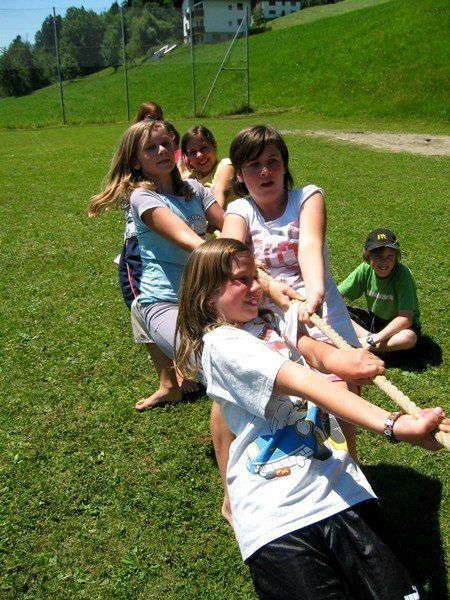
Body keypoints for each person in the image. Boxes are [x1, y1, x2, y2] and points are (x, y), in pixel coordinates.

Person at [174, 238, 448, 600]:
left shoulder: (267, 320)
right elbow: (310, 384)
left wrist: (345, 361)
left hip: (341, 489)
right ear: (208, 295)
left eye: (255, 277)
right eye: (242, 280)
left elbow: (314, 351)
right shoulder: (222, 345)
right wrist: (394, 425)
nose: (256, 287)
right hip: (276, 515)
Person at [217, 124, 360, 480]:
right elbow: (230, 257)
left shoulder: (308, 197)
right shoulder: (239, 210)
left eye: (273, 161)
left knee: (344, 389)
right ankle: (232, 492)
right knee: (232, 401)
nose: (265, 171)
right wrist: (268, 286)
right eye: (253, 165)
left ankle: (352, 469)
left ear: (284, 165)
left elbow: (309, 244)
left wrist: (315, 294)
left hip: (317, 311)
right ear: (240, 174)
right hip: (266, 317)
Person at [88, 120, 224, 410]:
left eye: (165, 143)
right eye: (151, 148)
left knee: (237, 356)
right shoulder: (142, 197)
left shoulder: (195, 189)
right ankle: (170, 385)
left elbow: (226, 223)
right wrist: (229, 255)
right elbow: (187, 240)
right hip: (165, 300)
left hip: (205, 298)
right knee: (215, 365)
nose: (162, 150)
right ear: (136, 161)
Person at [338, 228, 421, 352]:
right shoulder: (365, 269)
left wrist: (374, 339)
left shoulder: (403, 275)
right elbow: (335, 296)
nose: (383, 262)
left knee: (408, 338)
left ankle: (366, 344)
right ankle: (373, 343)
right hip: (374, 320)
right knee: (334, 312)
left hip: (399, 326)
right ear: (367, 255)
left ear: (396, 256)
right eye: (377, 256)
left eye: (390, 256)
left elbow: (406, 318)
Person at [180, 125, 236, 209]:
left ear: (214, 145)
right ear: (187, 158)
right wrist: (185, 171)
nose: (199, 155)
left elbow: (219, 193)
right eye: (192, 152)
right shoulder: (191, 177)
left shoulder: (225, 166)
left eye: (203, 148)